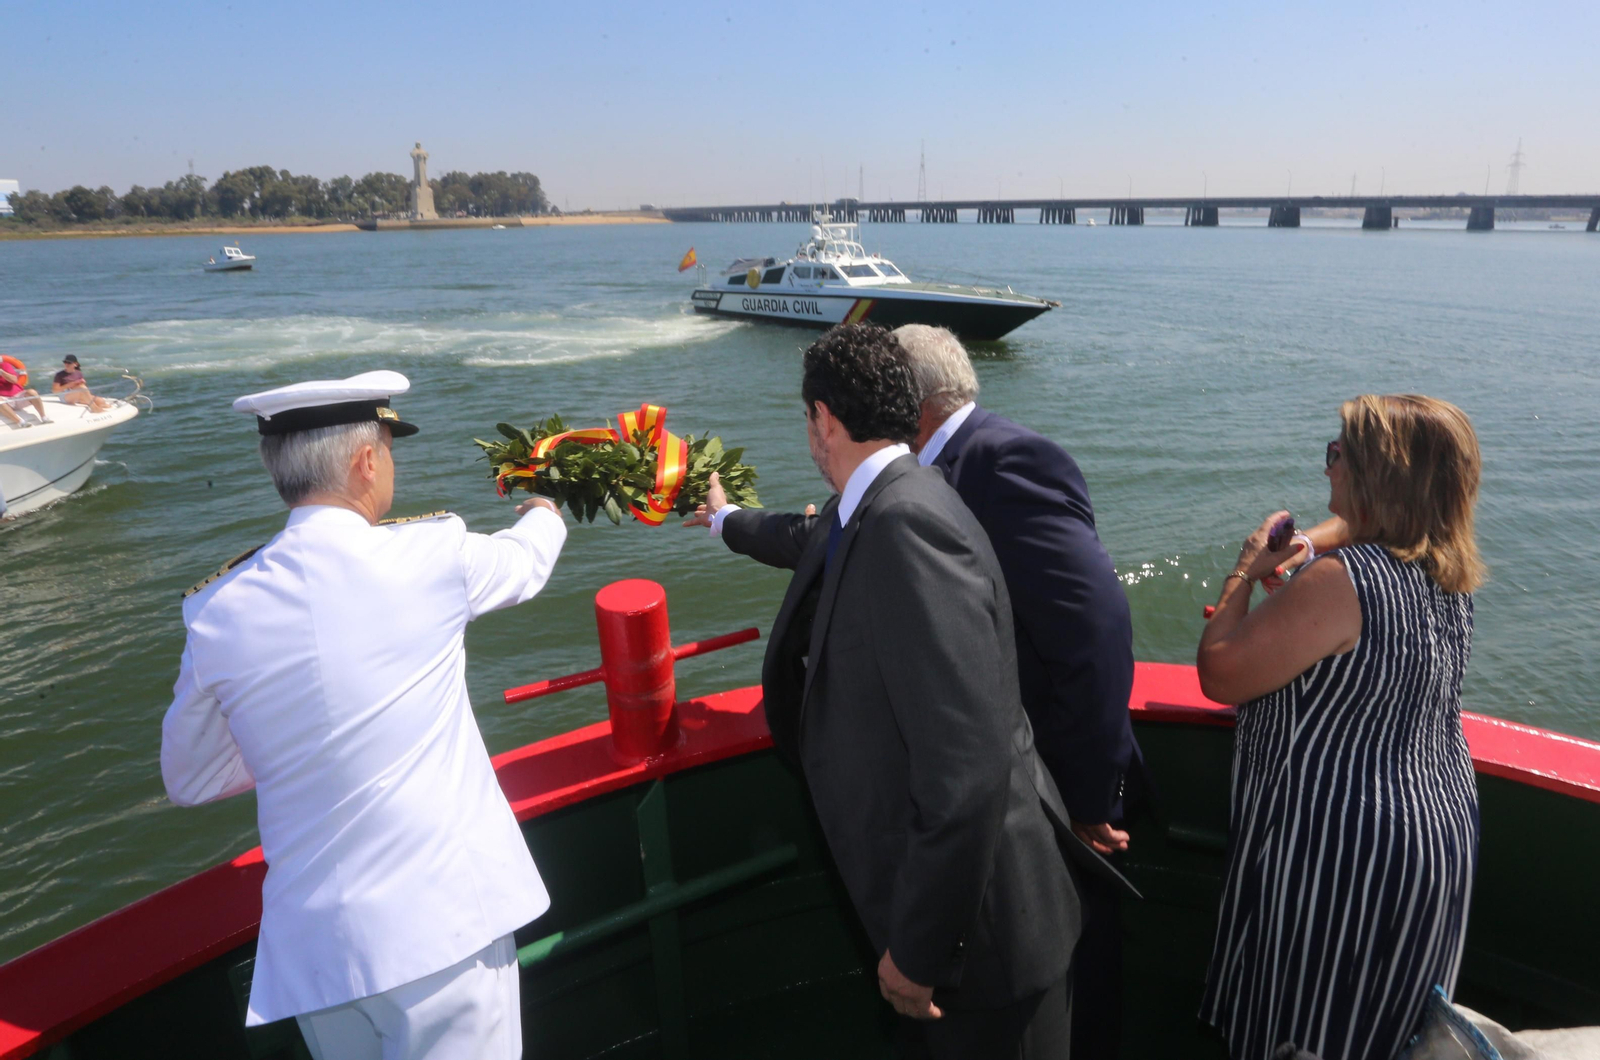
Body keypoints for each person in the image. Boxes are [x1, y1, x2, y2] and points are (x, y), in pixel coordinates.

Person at [689, 323, 1140, 1058]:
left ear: (824, 420)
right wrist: (727, 521)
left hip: (983, 949)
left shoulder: (904, 522)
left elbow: (964, 767)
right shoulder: (895, 491)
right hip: (971, 928)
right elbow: (812, 539)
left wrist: (921, 951)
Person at [160, 370, 567, 1060]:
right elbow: (526, 564)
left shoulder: (217, 612)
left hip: (319, 959)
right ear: (366, 460)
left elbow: (189, 778)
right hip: (441, 934)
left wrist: (291, 743)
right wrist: (545, 510)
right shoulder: (431, 553)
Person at [1195, 394, 1485, 1060]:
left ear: (1379, 477)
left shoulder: (1343, 583)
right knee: (1378, 1034)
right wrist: (1305, 544)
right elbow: (1353, 532)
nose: (1327, 471)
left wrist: (1246, 570)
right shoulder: (1448, 573)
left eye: (1337, 455)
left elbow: (1220, 671)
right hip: (1432, 836)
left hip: (1342, 854)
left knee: (1310, 1029)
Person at [0, 358, 45, 427]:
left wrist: (2, 372)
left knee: (32, 392)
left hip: (18, 396)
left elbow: (14, 380)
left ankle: (44, 417)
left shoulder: (5, 365)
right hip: (4, 399)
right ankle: (20, 422)